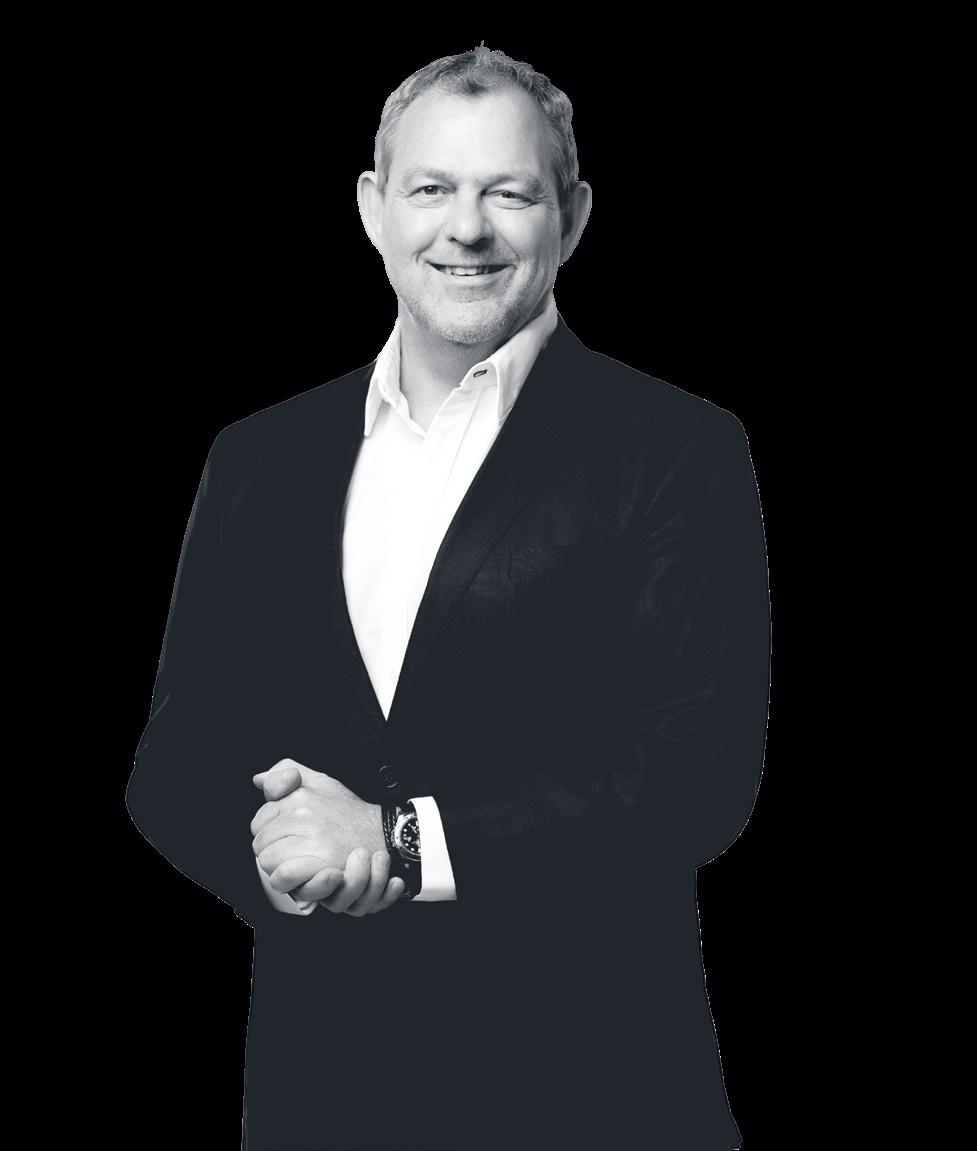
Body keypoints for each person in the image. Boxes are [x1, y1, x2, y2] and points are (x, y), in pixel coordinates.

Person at [125, 44, 770, 1151]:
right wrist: (282, 861)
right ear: (373, 209)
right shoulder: (258, 456)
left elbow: (693, 775)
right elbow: (175, 759)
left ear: (572, 216)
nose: (464, 228)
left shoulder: (678, 449)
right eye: (430, 188)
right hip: (320, 1092)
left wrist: (398, 841)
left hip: (595, 1089)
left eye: (507, 193)